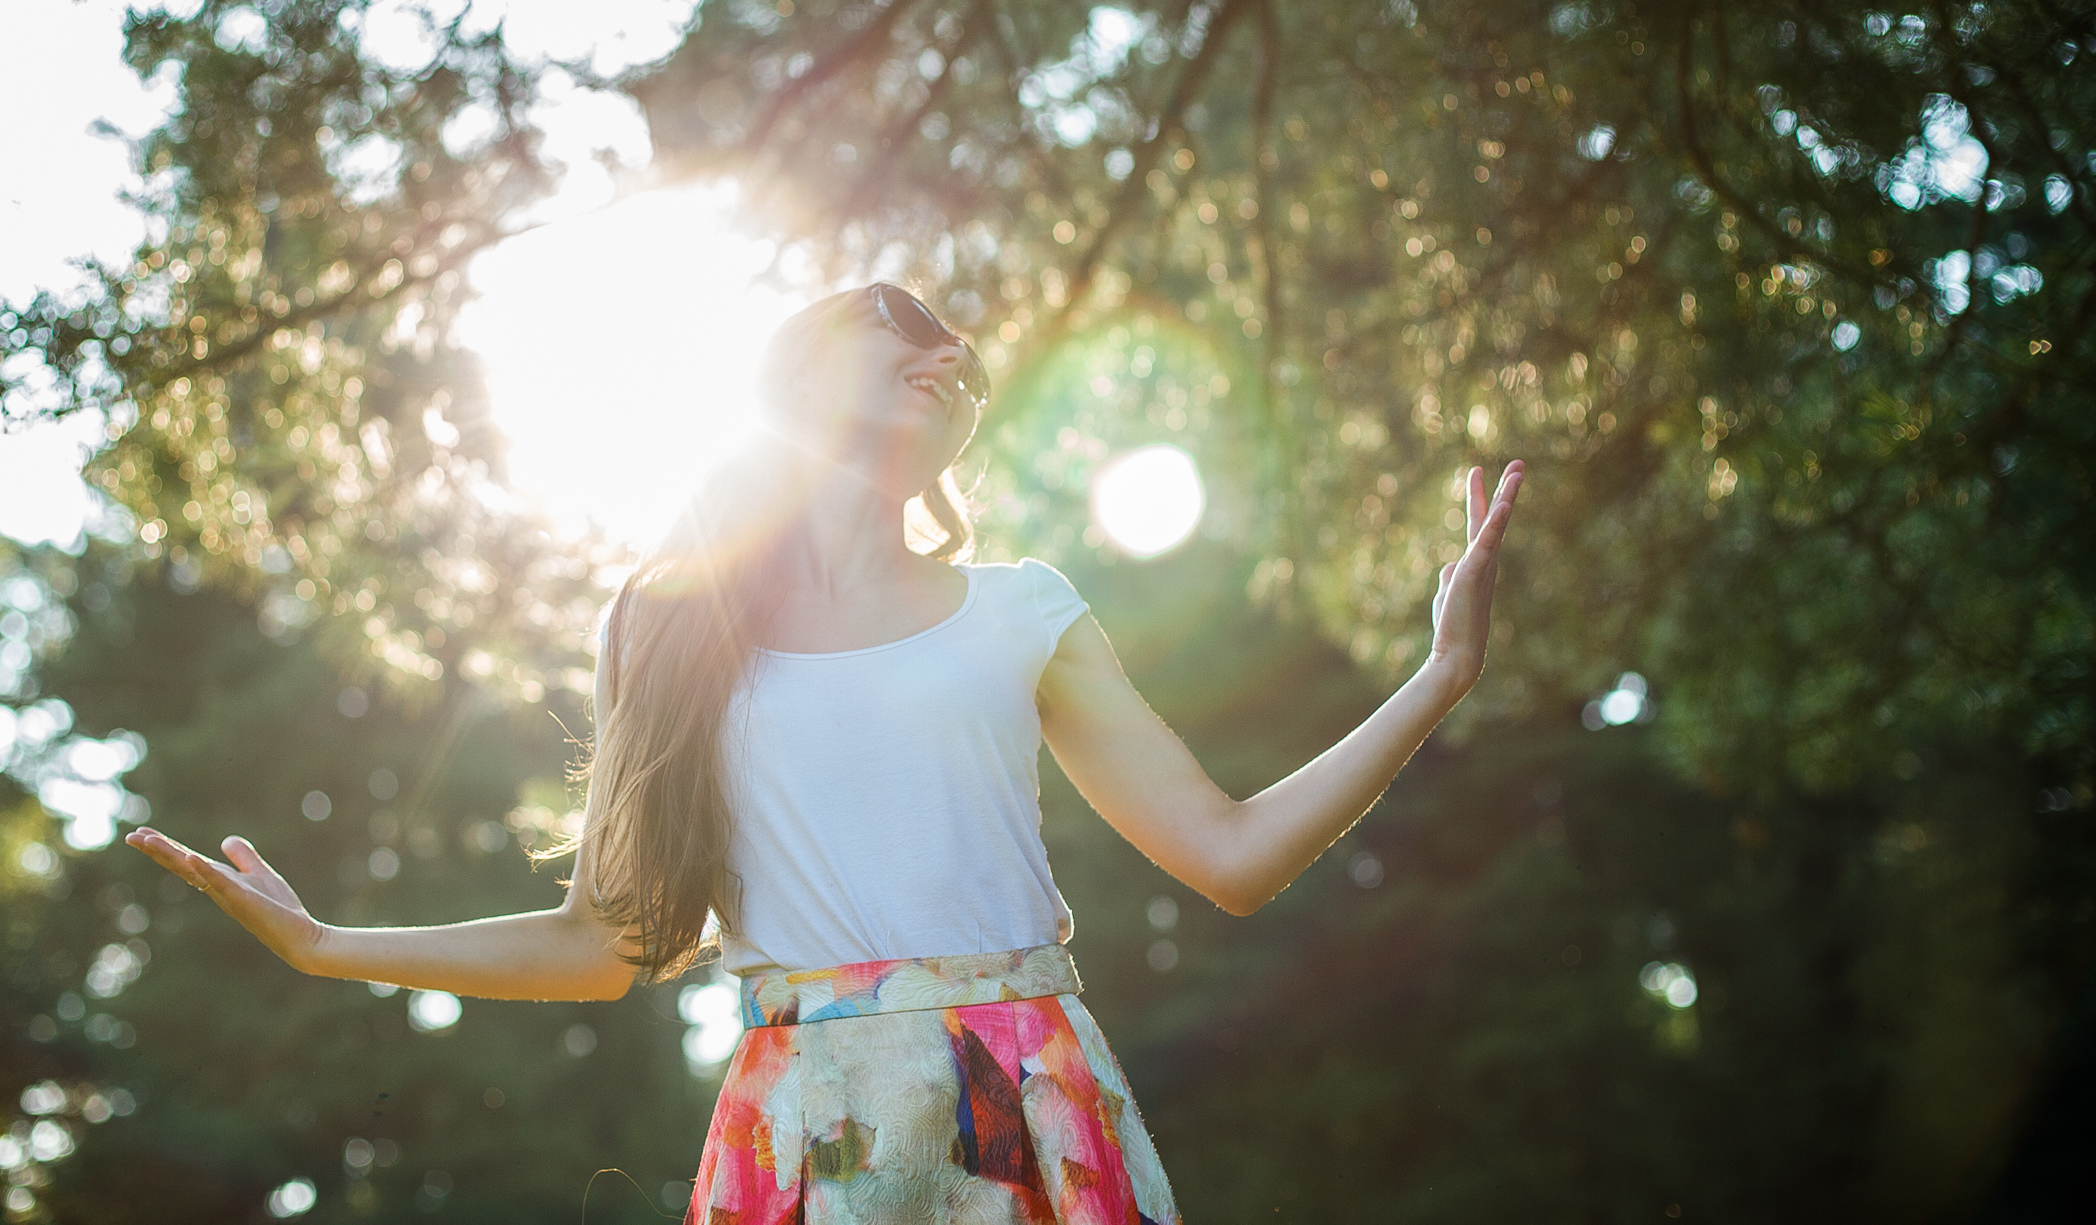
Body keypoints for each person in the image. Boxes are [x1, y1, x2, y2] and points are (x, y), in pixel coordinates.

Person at [129, 282, 1525, 1223]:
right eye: (894, 331)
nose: (941, 350)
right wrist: (330, 947)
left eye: (951, 351)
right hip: (802, 1122)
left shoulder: (1022, 608)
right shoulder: (672, 626)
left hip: (1029, 1098)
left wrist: (1437, 676)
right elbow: (611, 941)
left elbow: (1230, 857)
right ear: (797, 392)